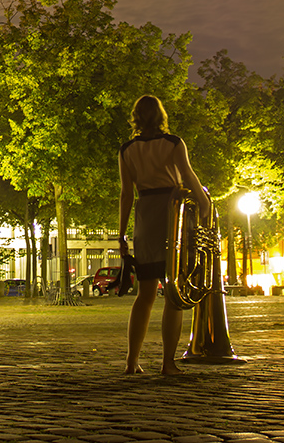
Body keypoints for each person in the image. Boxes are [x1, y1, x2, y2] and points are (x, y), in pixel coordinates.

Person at [118, 93, 209, 376]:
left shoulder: (126, 149)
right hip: (172, 216)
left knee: (144, 294)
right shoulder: (173, 143)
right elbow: (188, 174)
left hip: (144, 216)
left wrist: (121, 234)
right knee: (174, 292)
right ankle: (168, 363)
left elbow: (125, 194)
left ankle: (132, 362)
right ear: (161, 117)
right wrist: (205, 205)